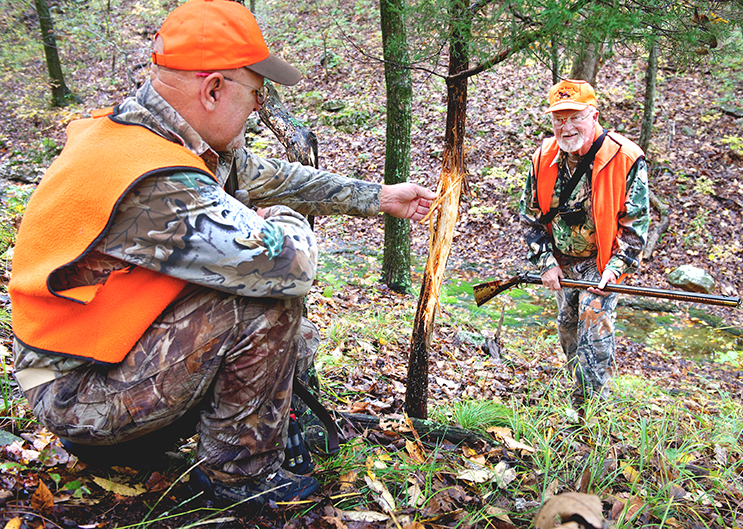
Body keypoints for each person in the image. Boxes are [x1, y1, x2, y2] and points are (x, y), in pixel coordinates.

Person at [9, 0, 435, 507]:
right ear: (212, 88)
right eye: (254, 92)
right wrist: (277, 222)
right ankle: (238, 480)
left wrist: (376, 197)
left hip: (90, 364)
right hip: (75, 393)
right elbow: (290, 267)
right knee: (264, 299)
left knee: (295, 335)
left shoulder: (150, 137)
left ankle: (150, 444)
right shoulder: (157, 179)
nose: (258, 107)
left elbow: (270, 177)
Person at [518, 79, 650, 406]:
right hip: (562, 266)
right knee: (568, 332)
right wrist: (545, 264)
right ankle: (580, 396)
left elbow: (635, 227)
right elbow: (530, 217)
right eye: (559, 119)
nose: (566, 126)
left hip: (600, 265)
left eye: (575, 116)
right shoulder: (542, 157)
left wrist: (615, 270)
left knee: (594, 343)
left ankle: (591, 421)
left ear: (594, 114)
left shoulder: (625, 157)